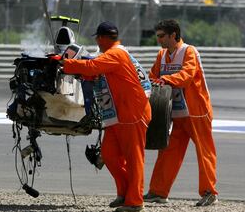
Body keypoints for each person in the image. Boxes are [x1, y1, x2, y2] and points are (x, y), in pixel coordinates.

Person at [62, 21, 151, 212]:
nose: (97, 42)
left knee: (134, 159)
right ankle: (125, 193)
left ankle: (135, 201)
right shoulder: (115, 54)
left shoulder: (116, 54)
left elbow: (93, 66)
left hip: (132, 113)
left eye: (97, 38)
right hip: (118, 114)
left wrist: (65, 63)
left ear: (101, 38)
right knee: (109, 155)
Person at [144, 19, 218, 206]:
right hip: (176, 114)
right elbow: (152, 76)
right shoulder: (161, 55)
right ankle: (158, 192)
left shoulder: (189, 51)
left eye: (162, 36)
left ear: (173, 35)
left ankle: (210, 192)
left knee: (205, 153)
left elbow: (187, 75)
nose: (159, 40)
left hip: (197, 112)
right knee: (167, 152)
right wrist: (155, 81)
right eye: (158, 36)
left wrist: (165, 80)